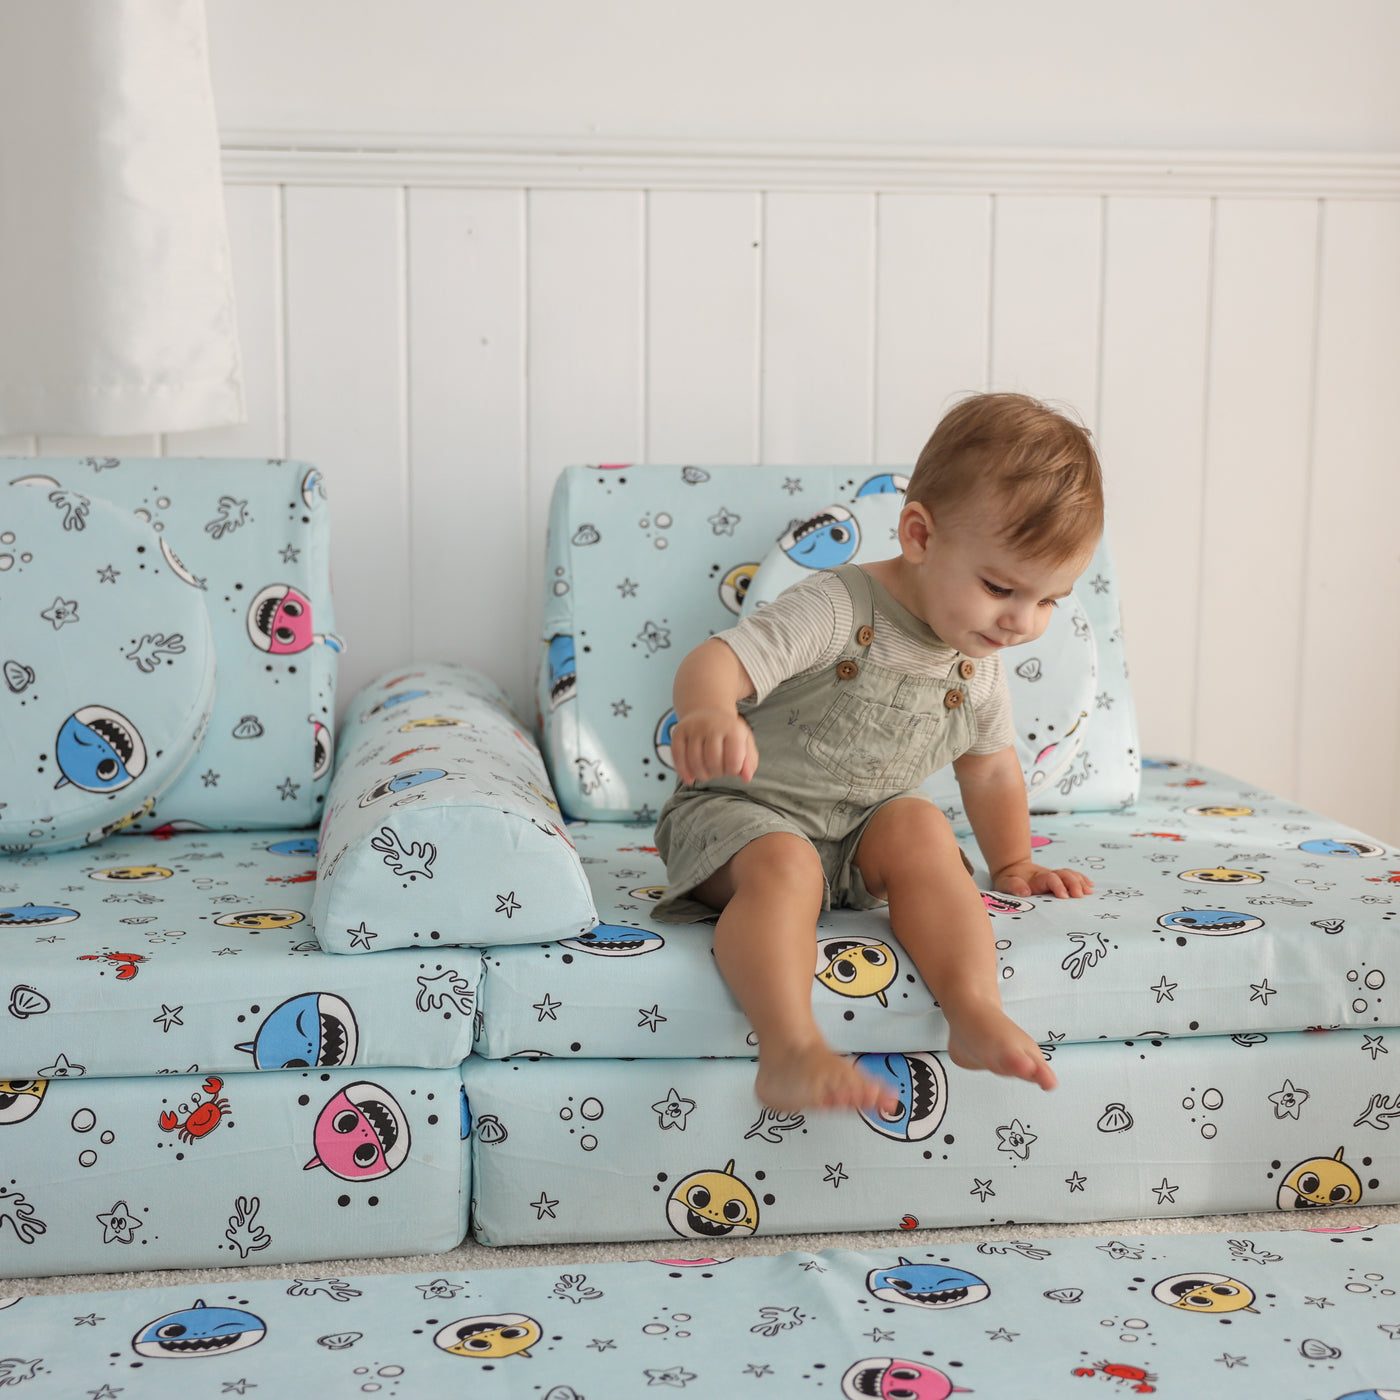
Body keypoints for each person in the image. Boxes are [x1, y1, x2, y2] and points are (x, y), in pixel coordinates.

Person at [651, 392, 1102, 1114]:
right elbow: (720, 659)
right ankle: (790, 1049)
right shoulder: (838, 605)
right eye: (1000, 587)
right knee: (786, 863)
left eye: (1050, 600)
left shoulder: (975, 664)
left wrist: (1015, 863)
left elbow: (990, 769)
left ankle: (971, 1008)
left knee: (920, 824)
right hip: (741, 817)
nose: (1022, 622)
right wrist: (709, 710)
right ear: (919, 535)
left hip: (855, 835)